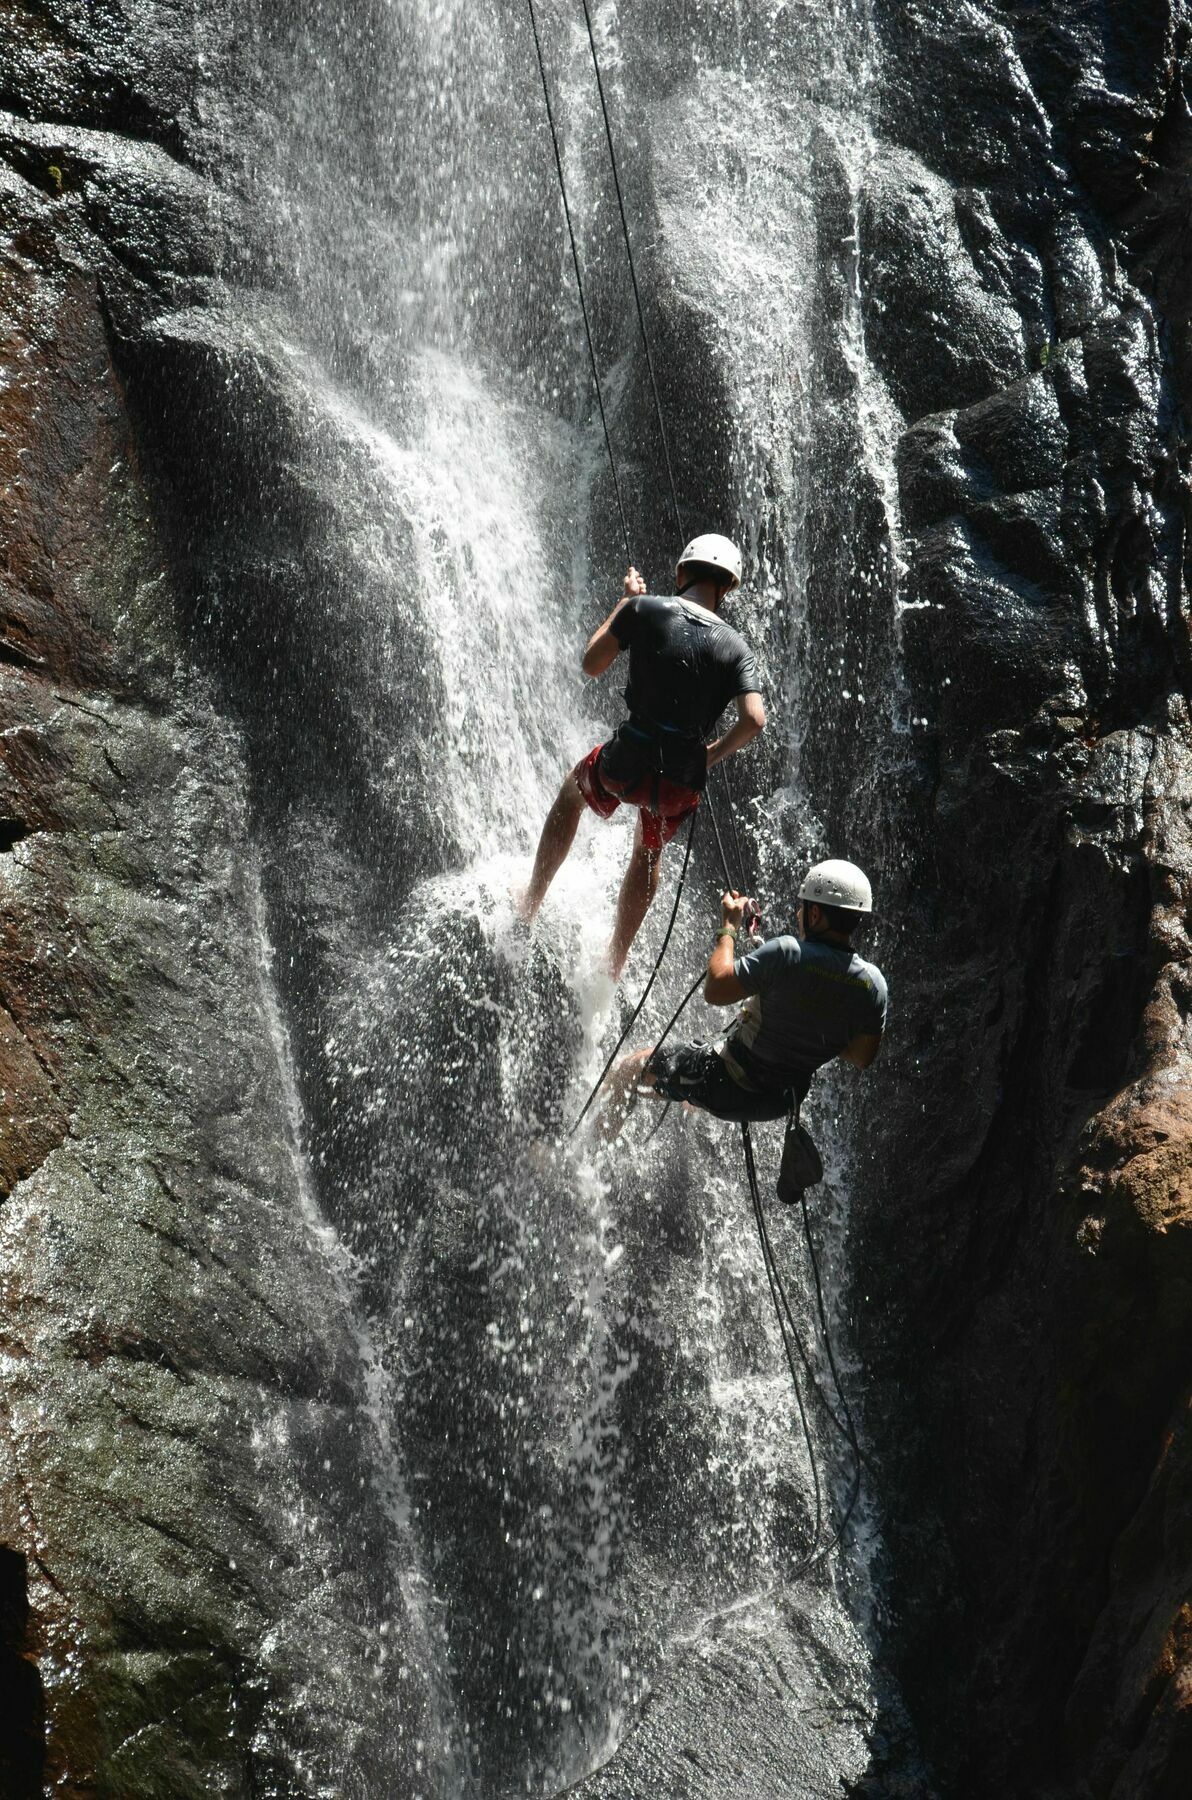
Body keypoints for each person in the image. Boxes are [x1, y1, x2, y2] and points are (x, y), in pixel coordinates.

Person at [519, 535, 765, 979]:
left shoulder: (644, 608)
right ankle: (615, 960)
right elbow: (754, 719)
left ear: (680, 573)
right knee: (649, 853)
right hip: (679, 783)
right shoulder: (737, 647)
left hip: (625, 763)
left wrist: (625, 602)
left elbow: (592, 664)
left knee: (572, 795)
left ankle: (530, 905)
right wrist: (710, 755)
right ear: (726, 589)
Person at [597, 860, 886, 1133]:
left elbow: (716, 989)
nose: (798, 914)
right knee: (692, 1078)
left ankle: (585, 1158)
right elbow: (862, 1056)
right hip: (779, 1102)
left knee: (629, 1069)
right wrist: (810, 1026)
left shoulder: (787, 954)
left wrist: (729, 927)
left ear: (815, 914)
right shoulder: (873, 985)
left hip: (729, 1084)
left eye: (802, 907)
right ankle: (686, 1097)